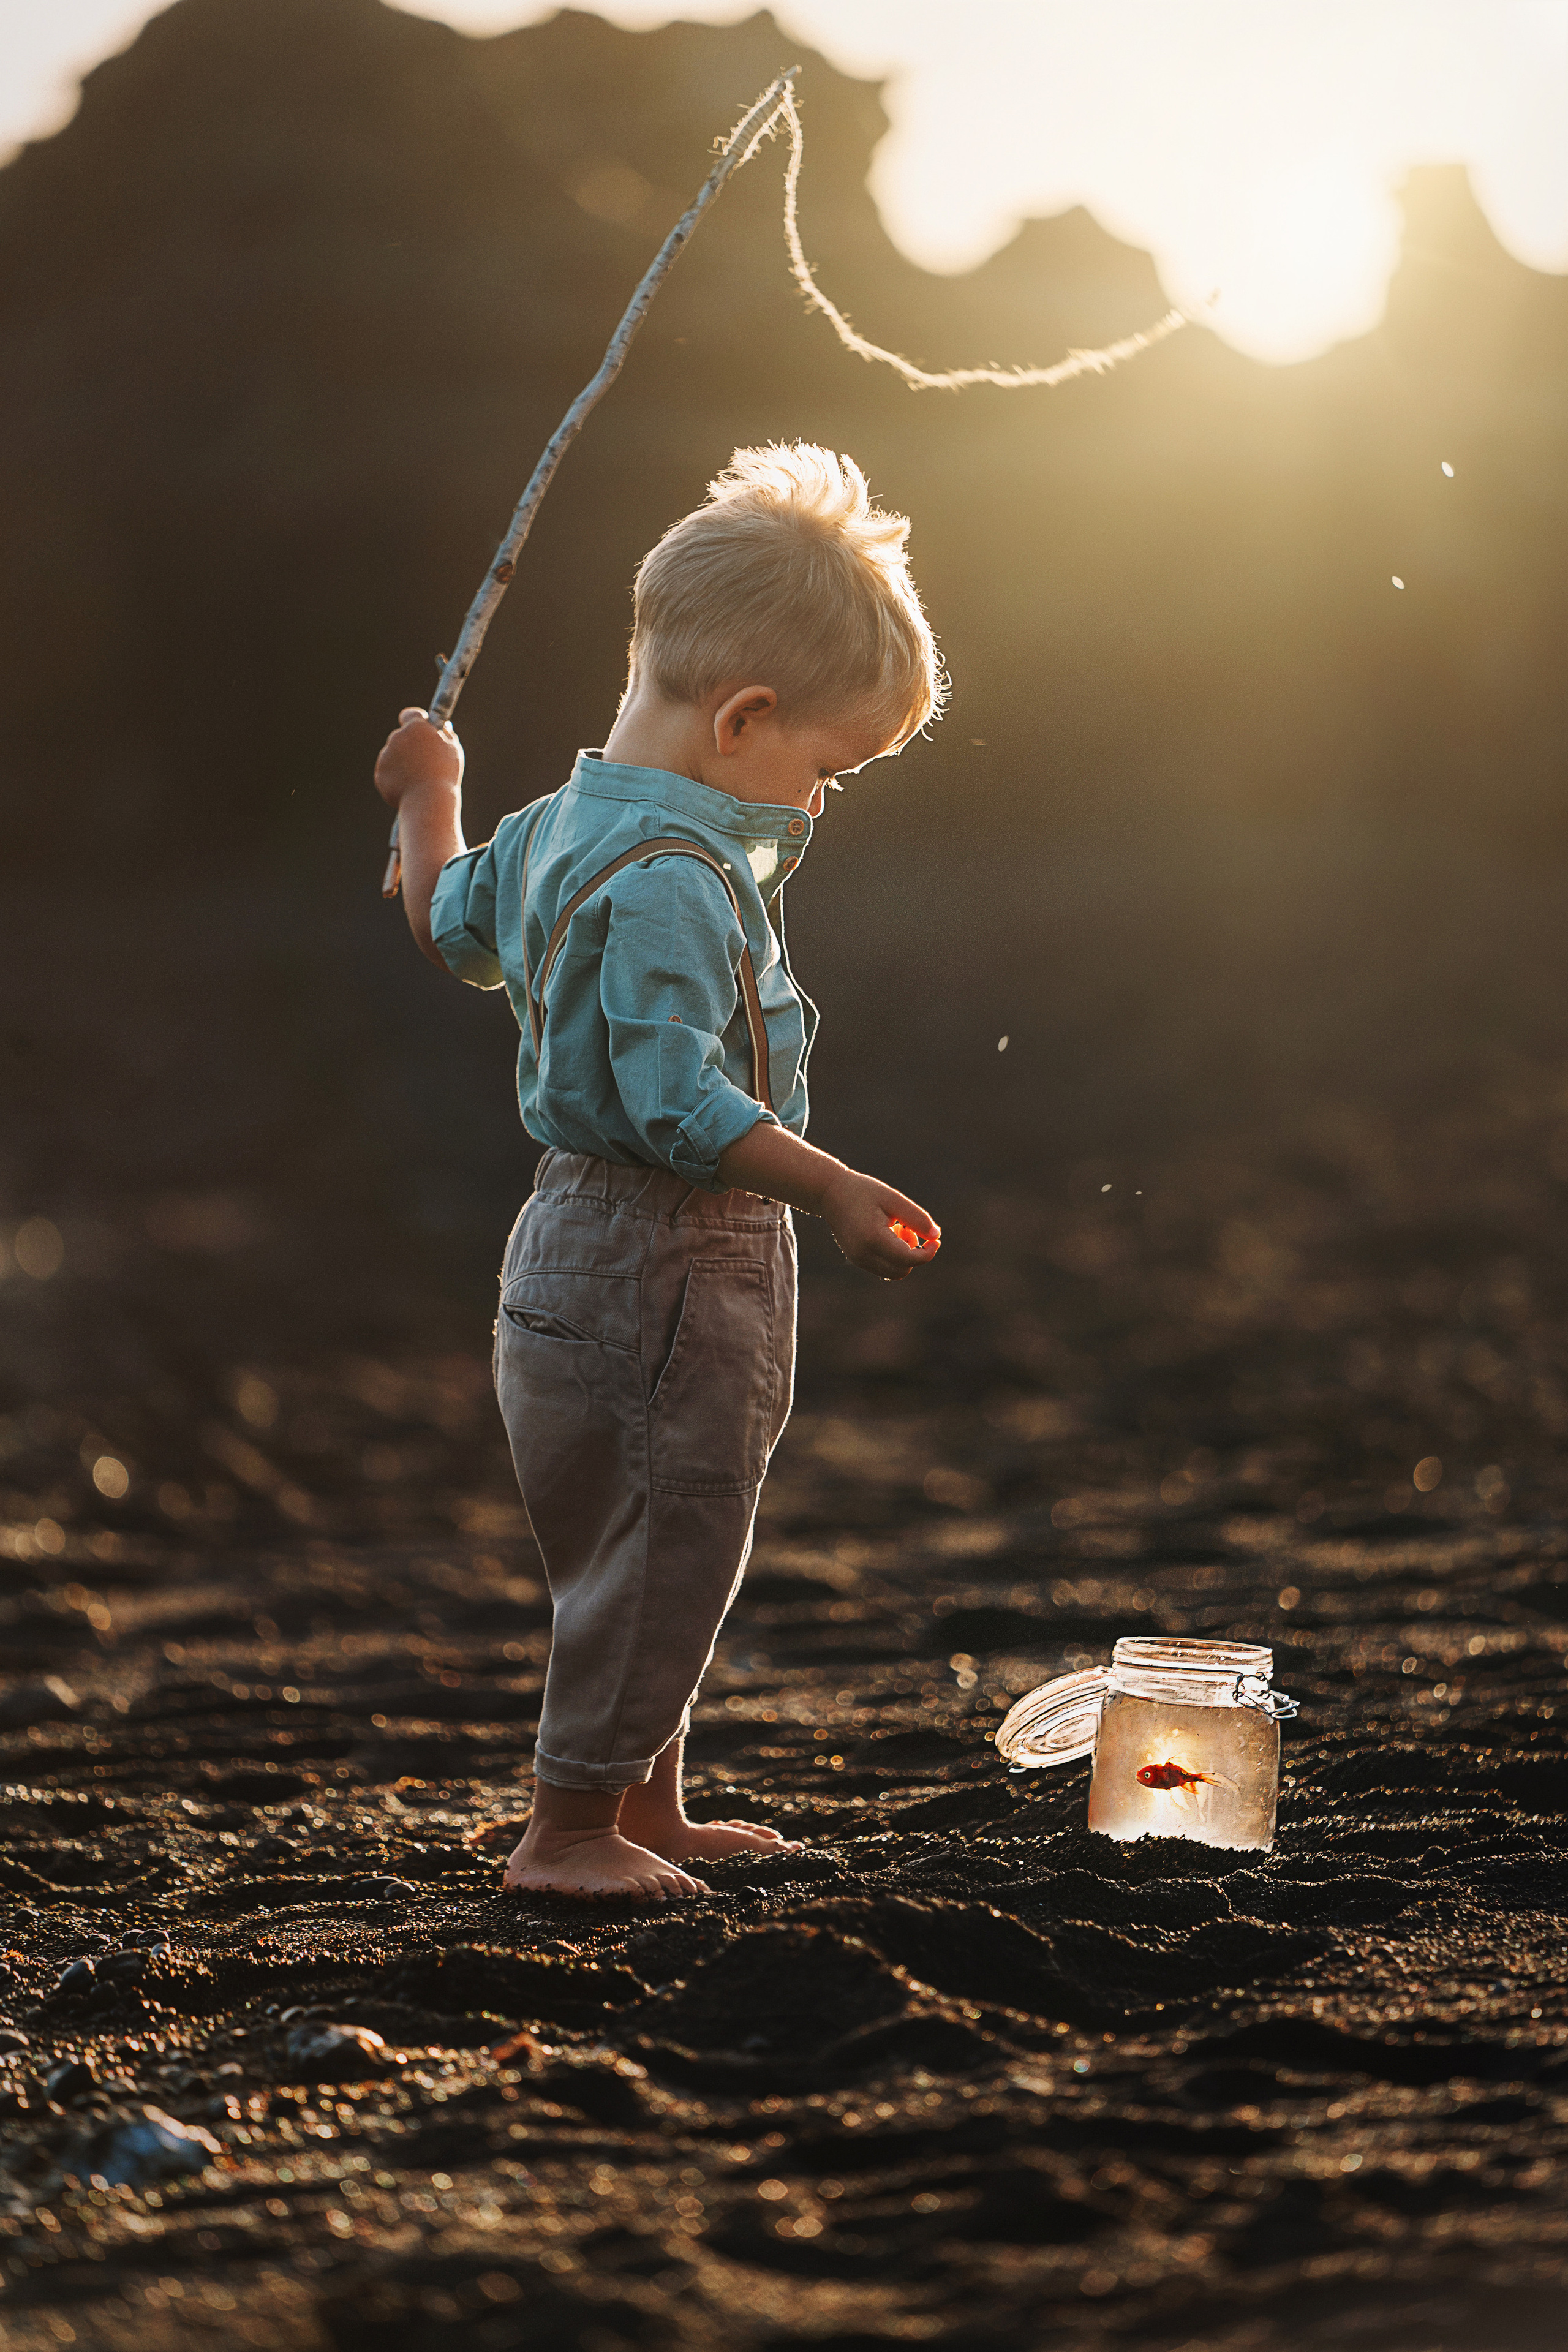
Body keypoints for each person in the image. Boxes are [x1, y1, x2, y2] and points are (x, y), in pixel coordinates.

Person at [373, 443, 944, 1899]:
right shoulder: (684, 879)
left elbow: (448, 923)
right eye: (825, 770)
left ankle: (644, 1802)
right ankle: (566, 1836)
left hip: (565, 1242)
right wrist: (825, 1185)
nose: (817, 807)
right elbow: (675, 1095)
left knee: (649, 1531)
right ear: (743, 718)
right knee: (665, 1535)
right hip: (670, 1250)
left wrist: (426, 793)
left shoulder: (558, 825)